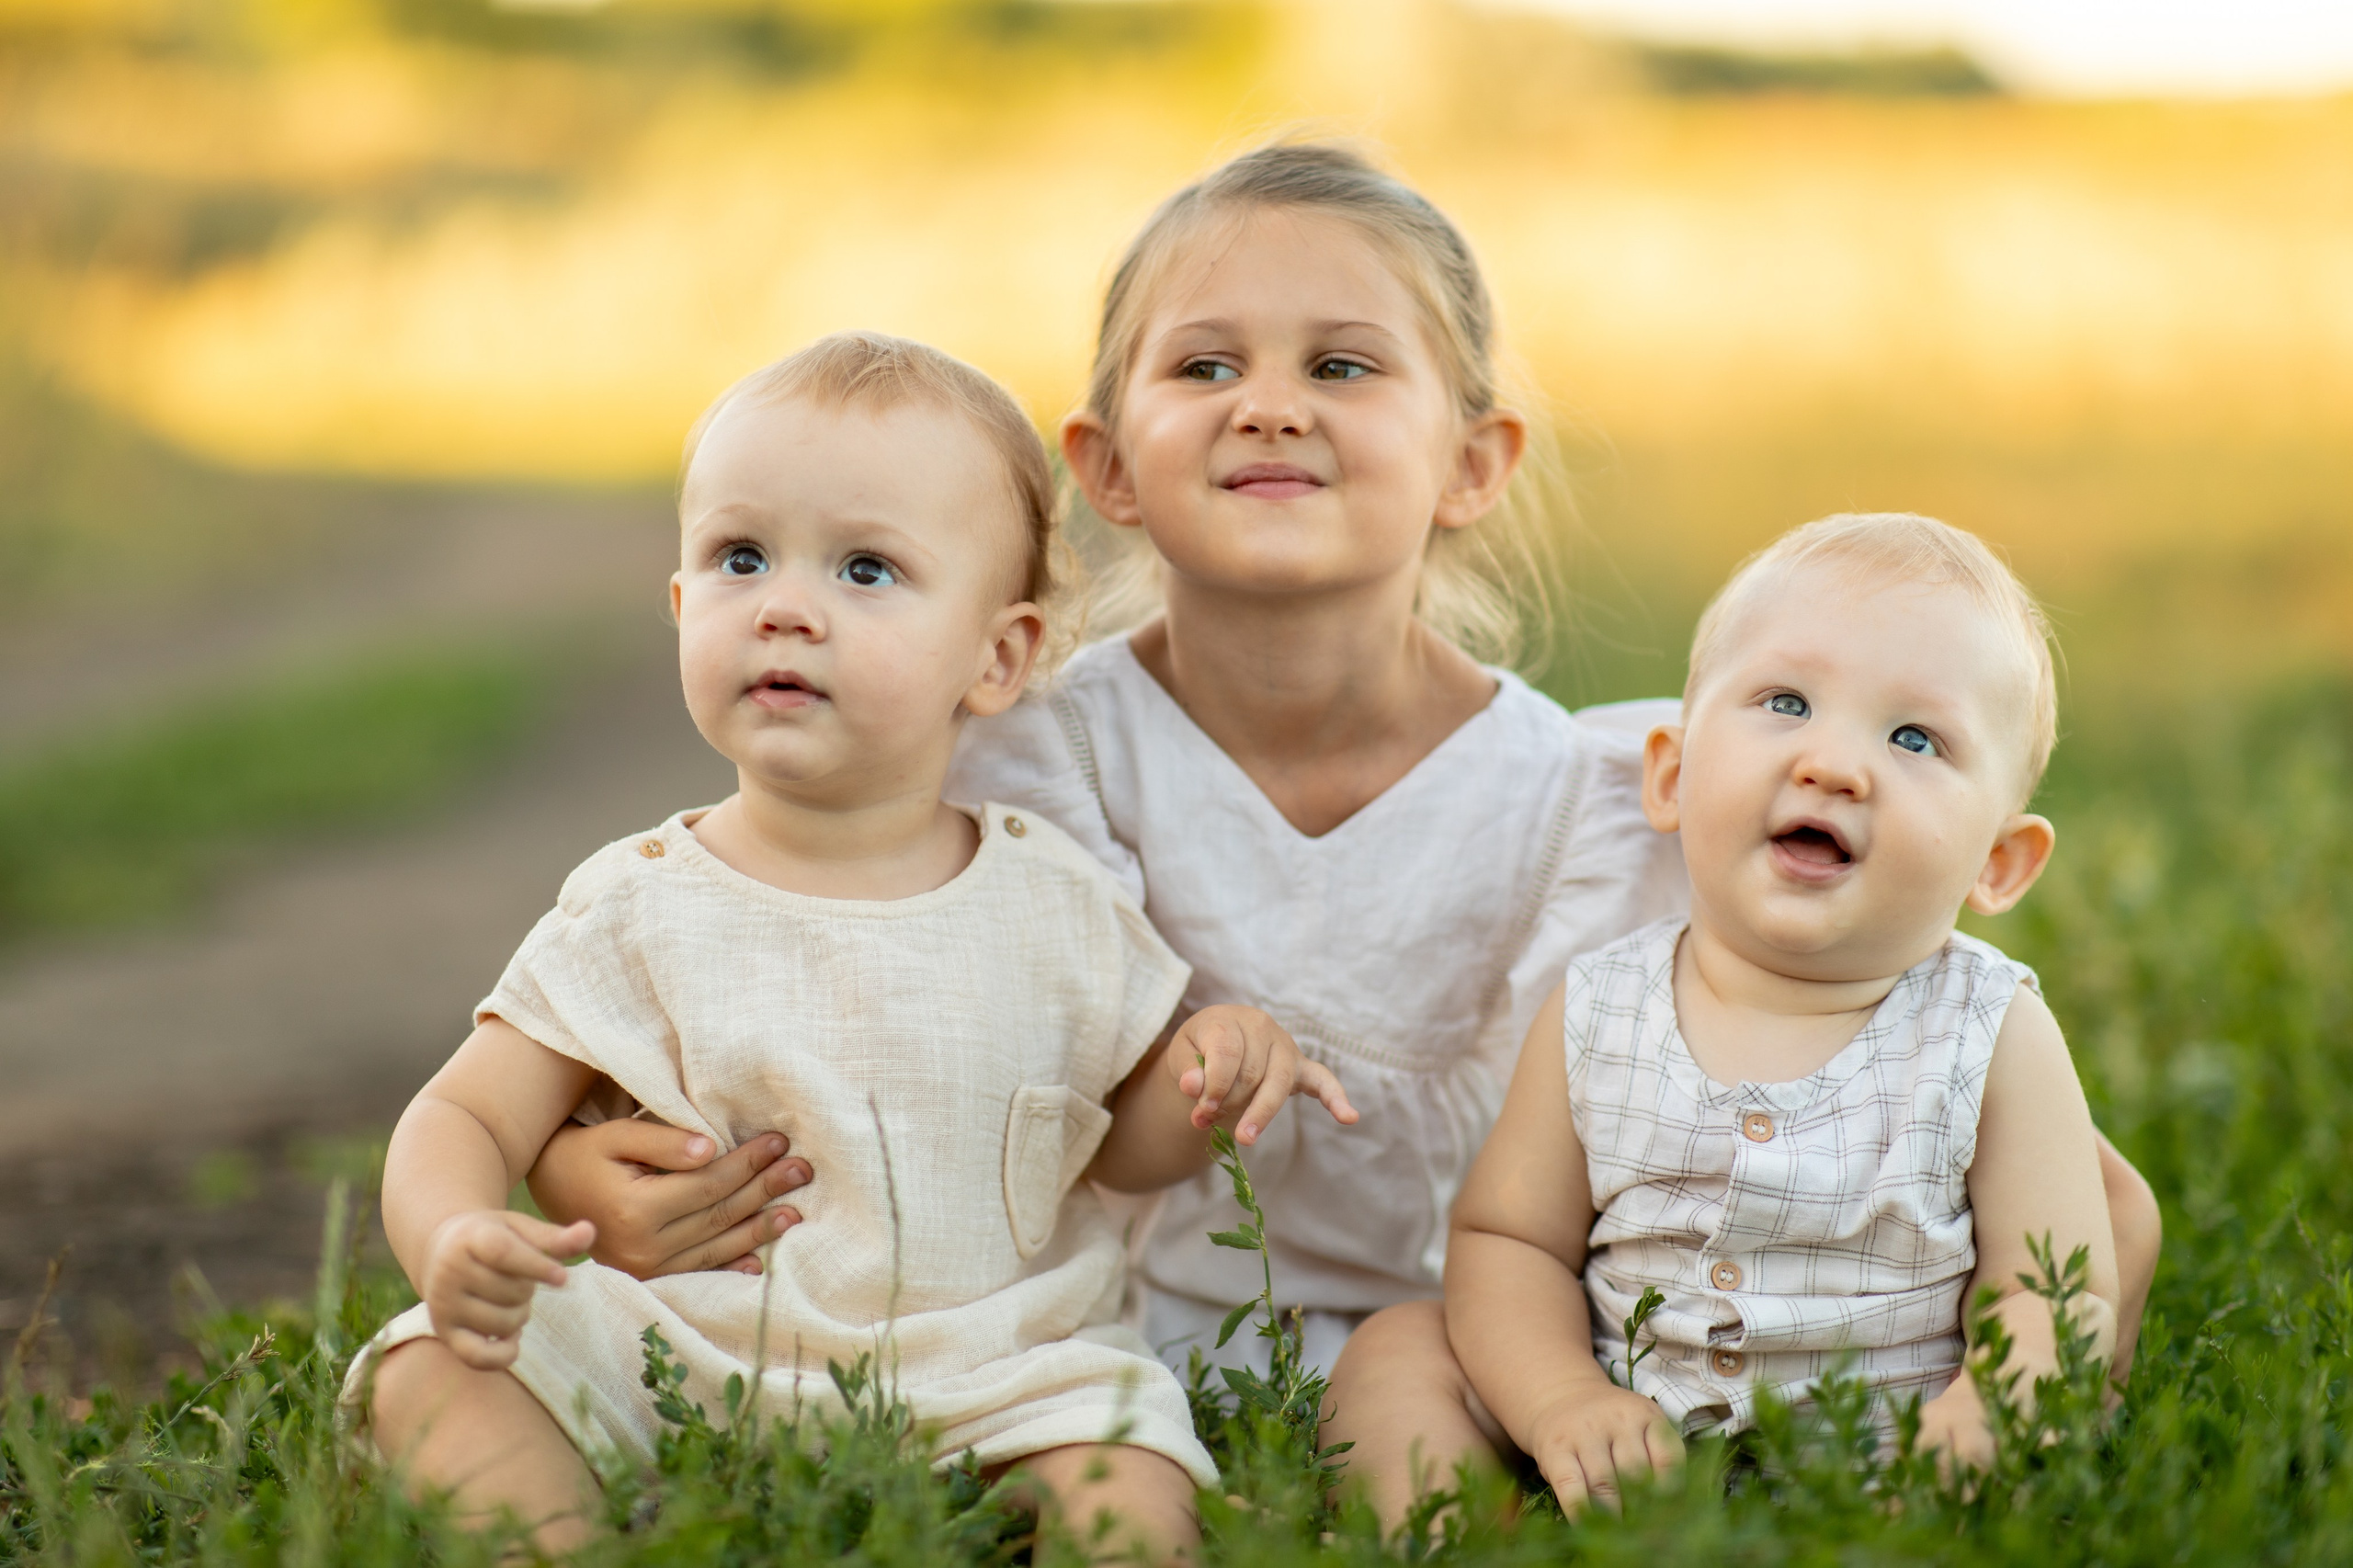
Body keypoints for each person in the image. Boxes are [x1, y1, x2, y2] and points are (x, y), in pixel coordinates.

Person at [518, 139, 2162, 1489]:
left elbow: (1928, 1067)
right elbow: (751, 932)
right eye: (1206, 364)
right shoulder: (1017, 750)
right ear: (1106, 462)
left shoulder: (1607, 807)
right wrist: (572, 1151)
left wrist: (2054, 1294)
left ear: (1473, 460)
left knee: (1417, 1382)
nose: (1271, 404)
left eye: (1344, 365)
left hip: (1490, 1350)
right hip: (1058, 1349)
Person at [346, 332, 1356, 1562]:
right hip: (686, 1353)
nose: (783, 605)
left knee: (1123, 1468)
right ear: (683, 606)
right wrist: (453, 1230)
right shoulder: (639, 899)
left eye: (866, 568)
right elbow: (465, 1112)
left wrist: (1207, 1069)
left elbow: (1124, 1146)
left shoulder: (1052, 895)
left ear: (996, 656)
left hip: (998, 1366)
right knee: (431, 1366)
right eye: (739, 556)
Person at [1368, 514, 2120, 1517]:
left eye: (1914, 738)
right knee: (1395, 1353)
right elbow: (1512, 1241)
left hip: (1891, 1468)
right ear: (1672, 777)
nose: (1832, 764)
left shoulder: (1991, 1031)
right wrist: (1559, 1399)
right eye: (1786, 702)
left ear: (1998, 861)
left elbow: (2052, 1289)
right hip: (1620, 1454)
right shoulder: (1599, 1007)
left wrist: (1983, 1414)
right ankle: (1474, 1534)